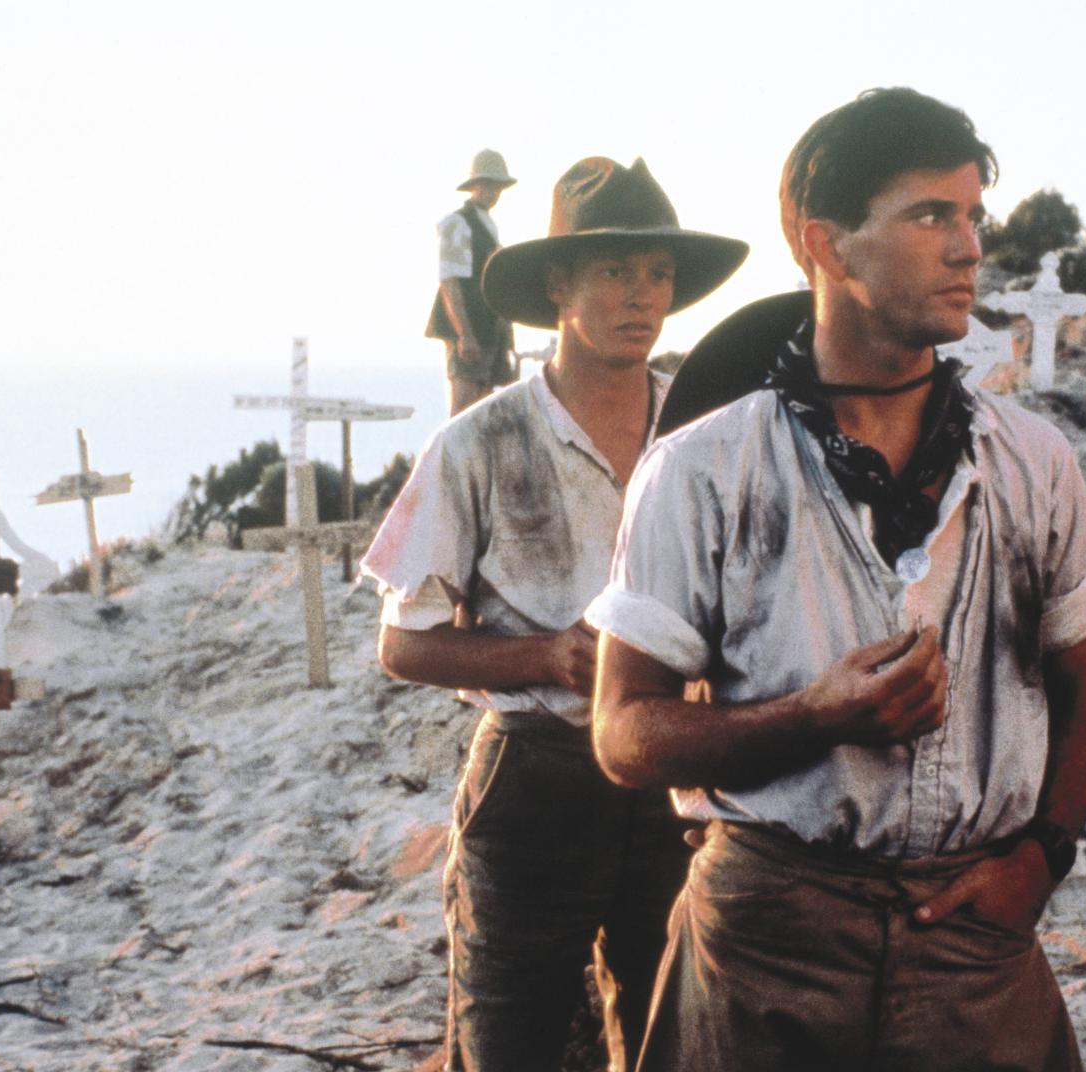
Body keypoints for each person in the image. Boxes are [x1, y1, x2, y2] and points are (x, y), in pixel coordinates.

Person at [588, 88, 1086, 1071]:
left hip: (974, 951)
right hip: (766, 948)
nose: (968, 249)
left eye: (974, 217)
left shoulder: (1032, 462)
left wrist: (1040, 859)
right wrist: (810, 718)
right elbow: (622, 734)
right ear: (824, 244)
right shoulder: (703, 469)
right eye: (930, 216)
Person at [363, 156, 747, 1072]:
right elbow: (403, 644)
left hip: (672, 778)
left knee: (669, 1038)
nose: (642, 295)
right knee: (508, 1040)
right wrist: (545, 657)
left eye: (658, 272)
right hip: (537, 782)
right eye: (614, 270)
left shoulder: (706, 434)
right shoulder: (480, 441)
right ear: (557, 286)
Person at [427, 149, 519, 415]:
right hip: (470, 327)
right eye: (487, 184)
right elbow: (450, 281)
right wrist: (464, 333)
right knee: (463, 408)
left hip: (488, 326)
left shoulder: (487, 224)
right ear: (474, 185)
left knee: (481, 408)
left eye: (497, 186)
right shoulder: (457, 223)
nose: (493, 192)